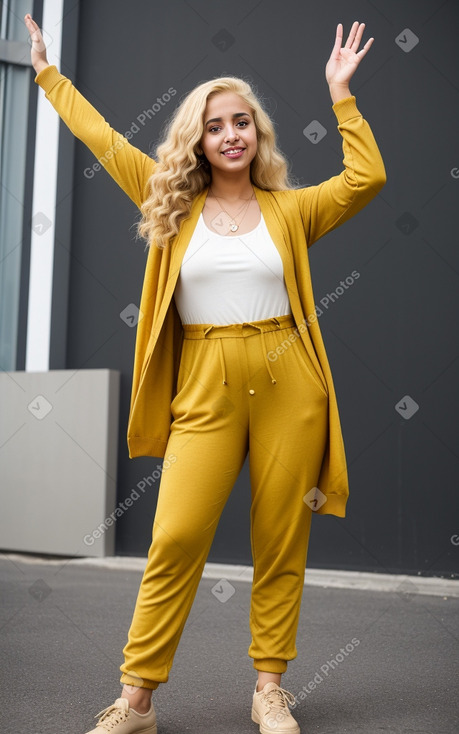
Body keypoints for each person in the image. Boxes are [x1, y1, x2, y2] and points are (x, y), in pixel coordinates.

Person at [24, 13, 386, 734]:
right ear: (197, 137)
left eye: (243, 122)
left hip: (290, 384)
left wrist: (340, 94)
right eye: (217, 124)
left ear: (257, 134)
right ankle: (136, 700)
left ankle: (269, 689)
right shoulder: (170, 199)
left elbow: (366, 177)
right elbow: (101, 138)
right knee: (176, 537)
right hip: (204, 387)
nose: (231, 134)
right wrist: (45, 76)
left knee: (280, 536)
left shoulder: (290, 210)